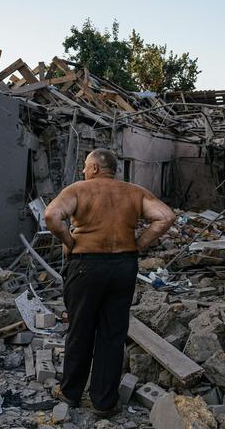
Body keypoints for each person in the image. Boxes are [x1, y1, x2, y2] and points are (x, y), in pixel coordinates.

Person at [44, 148, 176, 416]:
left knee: (80, 329)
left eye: (85, 166)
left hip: (86, 266)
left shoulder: (78, 189)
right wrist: (137, 244)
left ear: (94, 168)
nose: (83, 170)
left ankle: (70, 393)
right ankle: (105, 402)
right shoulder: (135, 192)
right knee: (113, 334)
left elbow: (51, 216)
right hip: (123, 266)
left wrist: (70, 242)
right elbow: (165, 217)